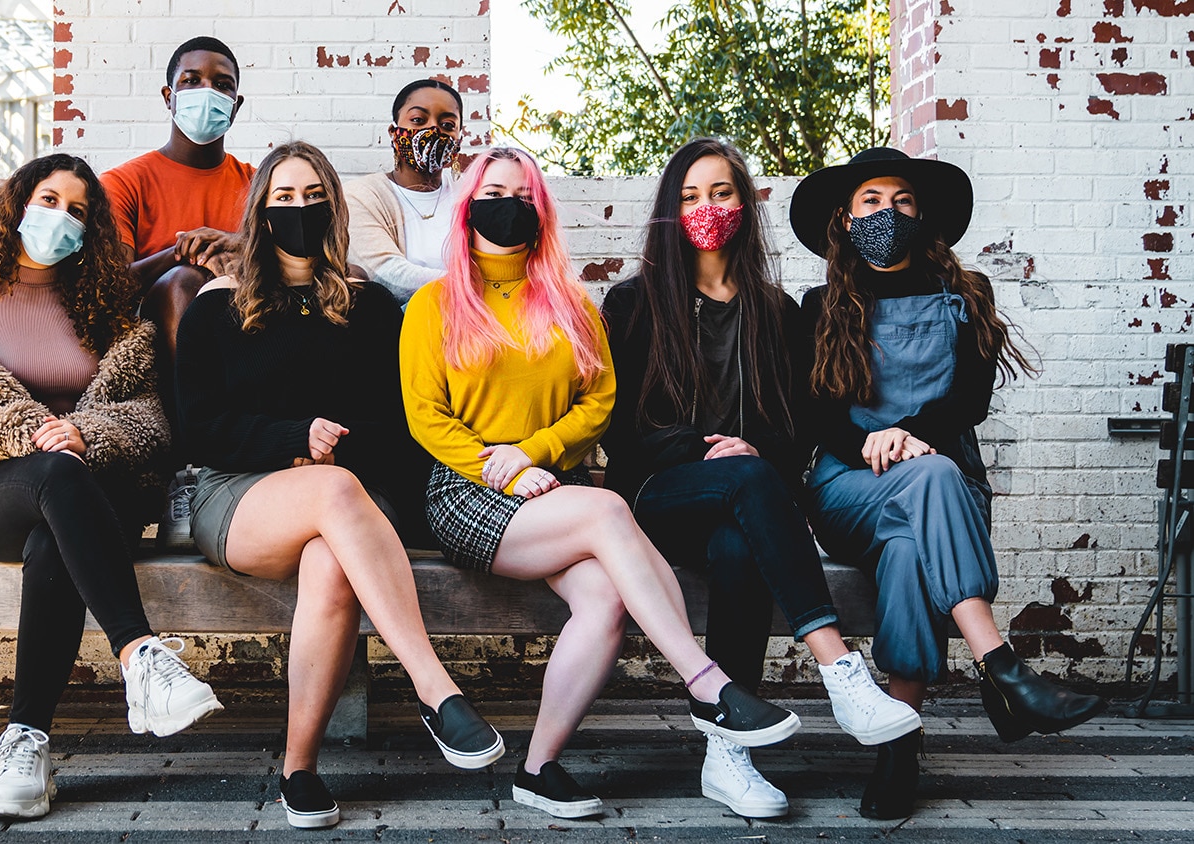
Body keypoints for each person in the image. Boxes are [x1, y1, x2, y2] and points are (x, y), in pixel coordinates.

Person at [399, 146, 801, 822]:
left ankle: (537, 769)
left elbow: (599, 402)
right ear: (468, 206)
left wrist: (533, 454)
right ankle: (706, 684)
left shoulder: (568, 304)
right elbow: (426, 418)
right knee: (611, 508)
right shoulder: (434, 305)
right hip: (466, 491)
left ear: (542, 212)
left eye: (526, 195)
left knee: (608, 600)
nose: (511, 205)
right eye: (496, 192)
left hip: (552, 492)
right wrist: (503, 466)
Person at [175, 141, 503, 830]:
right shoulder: (216, 308)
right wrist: (294, 439)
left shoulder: (371, 306)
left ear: (334, 206)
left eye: (312, 196)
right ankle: (434, 686)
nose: (299, 210)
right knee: (329, 492)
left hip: (352, 499)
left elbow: (399, 424)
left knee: (330, 556)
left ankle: (298, 769)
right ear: (261, 213)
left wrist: (332, 451)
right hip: (239, 495)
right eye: (284, 198)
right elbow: (199, 429)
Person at [599, 138, 923, 818]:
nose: (706, 208)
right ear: (668, 212)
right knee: (745, 480)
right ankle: (839, 668)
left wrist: (751, 447)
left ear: (743, 206)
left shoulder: (778, 313)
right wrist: (700, 446)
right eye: (689, 196)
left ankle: (728, 757)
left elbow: (798, 431)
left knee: (739, 541)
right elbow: (621, 435)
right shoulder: (632, 305)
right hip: (659, 498)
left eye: (720, 193)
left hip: (747, 510)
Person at [790, 147, 1108, 819]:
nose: (888, 213)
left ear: (923, 214)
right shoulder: (819, 304)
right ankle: (1004, 670)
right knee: (929, 475)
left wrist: (909, 434)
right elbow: (812, 412)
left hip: (939, 492)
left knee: (910, 544)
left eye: (902, 200)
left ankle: (899, 750)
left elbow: (968, 402)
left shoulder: (968, 297)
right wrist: (872, 441)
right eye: (871, 201)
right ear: (845, 221)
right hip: (848, 486)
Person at [0, 154, 221, 822]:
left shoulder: (108, 316)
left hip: (95, 493)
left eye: (77, 211)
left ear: (92, 229)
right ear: (19, 205)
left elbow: (150, 421)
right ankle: (140, 654)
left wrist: (89, 435)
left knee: (57, 524)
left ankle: (25, 744)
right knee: (51, 475)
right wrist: (34, 431)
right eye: (48, 200)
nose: (60, 219)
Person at [100, 36, 255, 548]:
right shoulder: (125, 182)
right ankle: (188, 469)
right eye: (192, 81)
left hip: (249, 335)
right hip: (157, 342)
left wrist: (236, 248)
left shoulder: (259, 184)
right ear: (168, 96)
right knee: (186, 284)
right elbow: (108, 287)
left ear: (236, 105)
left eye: (222, 85)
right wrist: (178, 254)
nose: (206, 92)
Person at [344, 79, 464, 305]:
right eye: (418, 120)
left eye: (447, 125)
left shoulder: (472, 193)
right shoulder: (360, 196)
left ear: (459, 138)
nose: (433, 130)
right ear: (393, 132)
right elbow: (387, 278)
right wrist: (474, 286)